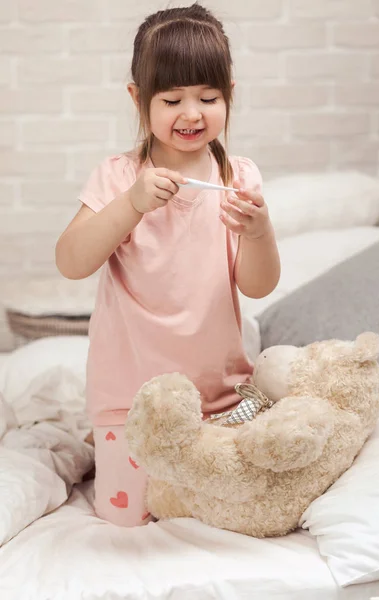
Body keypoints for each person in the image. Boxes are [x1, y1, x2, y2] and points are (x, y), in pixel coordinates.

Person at [55, 1, 281, 527]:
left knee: (221, 508)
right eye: (172, 99)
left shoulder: (239, 177)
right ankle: (100, 440)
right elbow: (71, 261)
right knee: (131, 519)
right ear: (138, 99)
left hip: (218, 398)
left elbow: (259, 284)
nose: (192, 113)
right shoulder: (119, 177)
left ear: (230, 94)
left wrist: (258, 231)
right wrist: (131, 205)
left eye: (208, 97)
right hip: (130, 402)